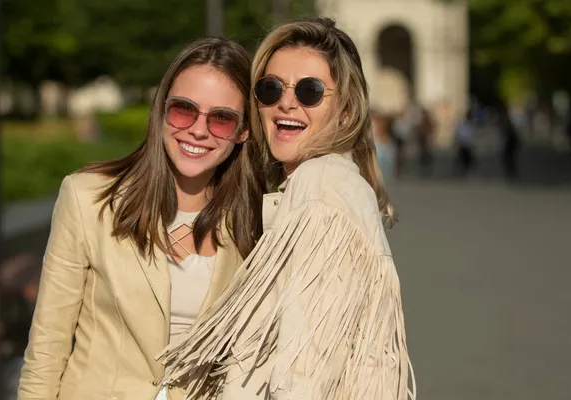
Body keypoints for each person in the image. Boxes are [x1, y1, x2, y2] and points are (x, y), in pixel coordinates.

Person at [160, 18, 416, 400]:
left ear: (346, 111)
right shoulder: (323, 185)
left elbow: (304, 372)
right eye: (270, 88)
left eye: (311, 91)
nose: (286, 102)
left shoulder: (320, 188)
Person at [17, 37, 264, 400]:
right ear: (161, 110)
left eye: (222, 119)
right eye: (184, 109)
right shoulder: (88, 199)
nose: (198, 129)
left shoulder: (256, 222)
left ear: (243, 131)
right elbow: (46, 347)